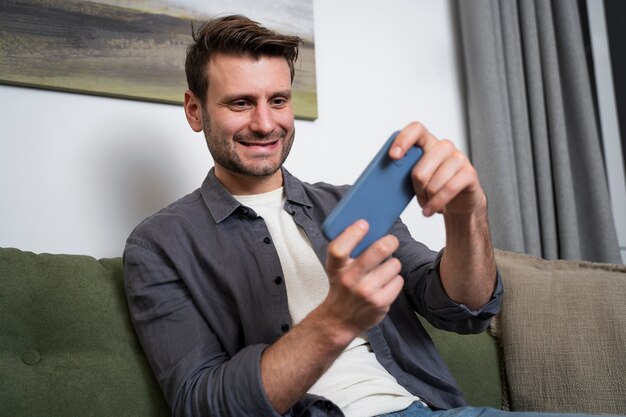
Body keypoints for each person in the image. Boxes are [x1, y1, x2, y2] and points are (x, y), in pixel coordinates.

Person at [124, 14, 503, 417]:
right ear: (195, 111)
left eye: (278, 100)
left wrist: (468, 214)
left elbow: (463, 309)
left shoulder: (346, 206)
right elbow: (202, 404)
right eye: (240, 102)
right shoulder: (158, 245)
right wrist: (336, 319)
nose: (266, 123)